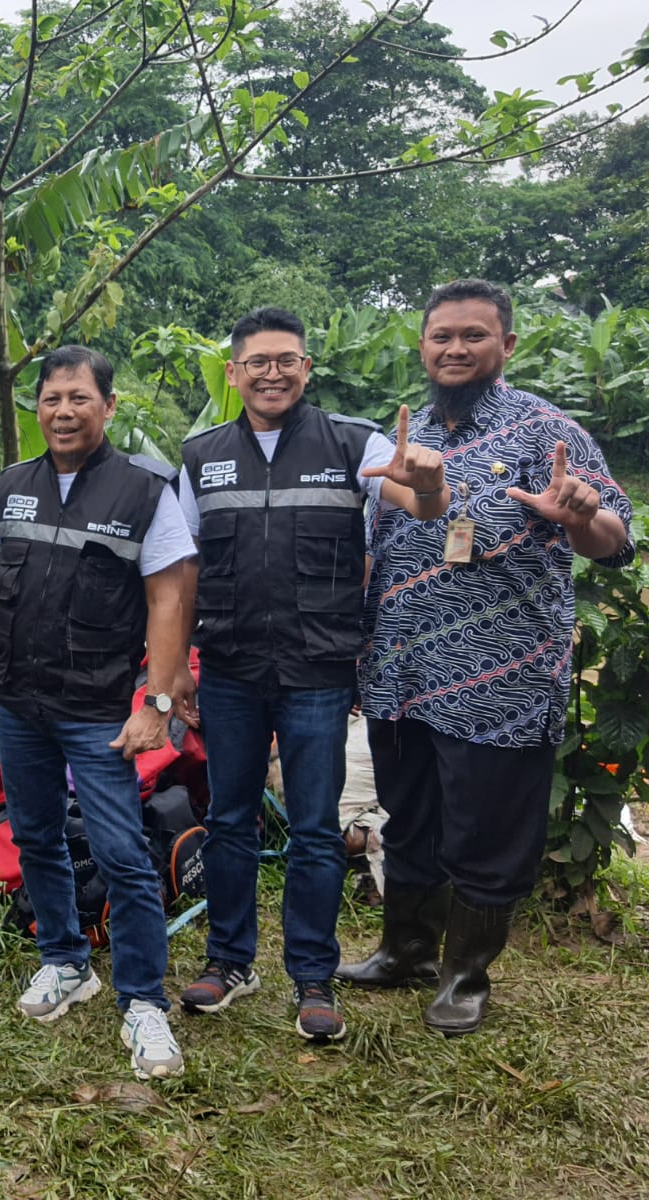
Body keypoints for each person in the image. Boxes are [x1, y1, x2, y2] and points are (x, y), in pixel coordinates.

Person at [0, 344, 198, 1081]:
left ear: (108, 407)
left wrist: (155, 702)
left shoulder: (145, 492)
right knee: (37, 838)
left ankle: (143, 1001)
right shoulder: (17, 485)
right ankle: (65, 961)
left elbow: (170, 600)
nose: (63, 411)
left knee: (123, 854)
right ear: (38, 408)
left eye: (79, 398)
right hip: (21, 705)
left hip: (98, 713)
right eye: (51, 399)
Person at [347, 278, 635, 1035]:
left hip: (500, 676)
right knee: (408, 818)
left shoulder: (548, 432)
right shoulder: (405, 436)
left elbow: (614, 542)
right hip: (403, 673)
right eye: (441, 335)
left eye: (473, 335)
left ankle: (466, 975)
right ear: (422, 345)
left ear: (506, 345)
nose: (455, 348)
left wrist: (579, 516)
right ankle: (405, 949)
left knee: (485, 828)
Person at [176, 307, 449, 1042]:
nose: (272, 372)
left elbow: (424, 506)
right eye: (257, 361)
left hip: (318, 674)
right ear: (234, 373)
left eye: (286, 359)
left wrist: (426, 482)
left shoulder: (355, 444)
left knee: (316, 831)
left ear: (306, 368)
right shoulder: (200, 457)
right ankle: (230, 962)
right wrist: (173, 671)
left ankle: (312, 977)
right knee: (228, 821)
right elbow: (179, 571)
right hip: (230, 671)